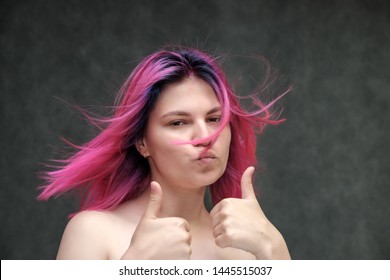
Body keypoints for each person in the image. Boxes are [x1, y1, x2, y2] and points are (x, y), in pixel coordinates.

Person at [38, 47, 291, 260]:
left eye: (214, 118)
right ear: (141, 142)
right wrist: (133, 267)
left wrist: (277, 251)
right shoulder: (93, 233)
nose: (205, 136)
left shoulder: (247, 249)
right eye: (178, 123)